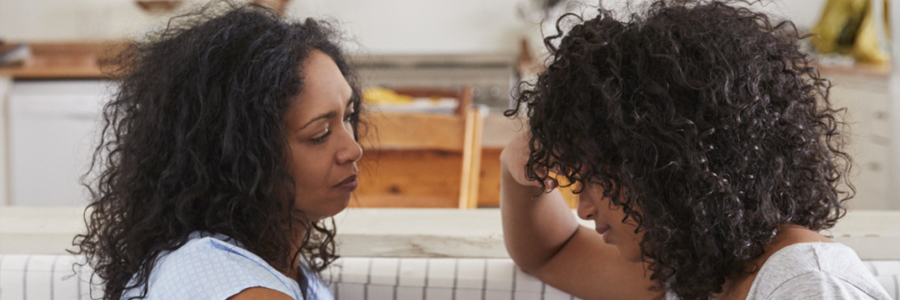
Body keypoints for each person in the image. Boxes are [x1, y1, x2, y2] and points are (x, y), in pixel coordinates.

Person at [500, 1, 892, 299]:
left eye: (592, 178)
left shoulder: (806, 282)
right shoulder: (710, 272)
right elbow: (551, 254)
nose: (583, 208)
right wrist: (518, 166)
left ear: (659, 160)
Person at [73, 3, 362, 300]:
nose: (353, 149)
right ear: (244, 157)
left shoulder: (248, 260)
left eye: (349, 116)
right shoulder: (243, 290)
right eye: (320, 134)